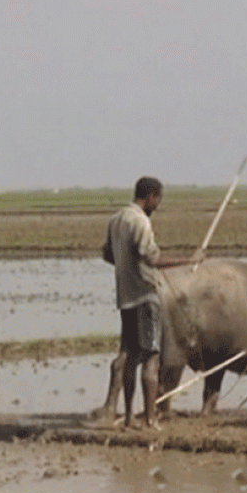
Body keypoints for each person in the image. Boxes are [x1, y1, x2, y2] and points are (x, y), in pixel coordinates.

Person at [101, 176, 202, 429]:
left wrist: (126, 267)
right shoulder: (141, 222)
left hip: (125, 299)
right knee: (151, 358)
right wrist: (189, 261)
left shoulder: (116, 220)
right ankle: (148, 419)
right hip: (146, 298)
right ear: (150, 197)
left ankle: (126, 417)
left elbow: (107, 254)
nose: (158, 205)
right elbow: (153, 259)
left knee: (129, 356)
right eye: (158, 200)